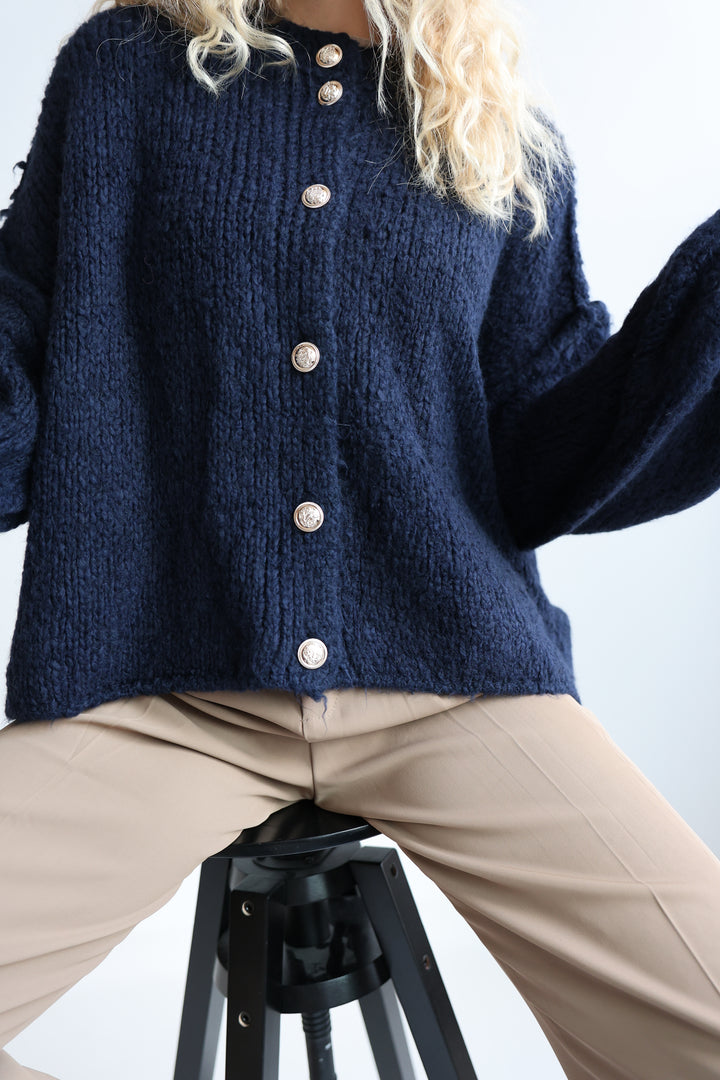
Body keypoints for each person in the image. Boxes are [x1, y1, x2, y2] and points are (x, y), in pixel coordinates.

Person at [1, 0, 719, 1077]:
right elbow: (20, 339)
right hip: (164, 689)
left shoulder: (494, 119)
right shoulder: (124, 71)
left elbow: (543, 449)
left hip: (453, 681)